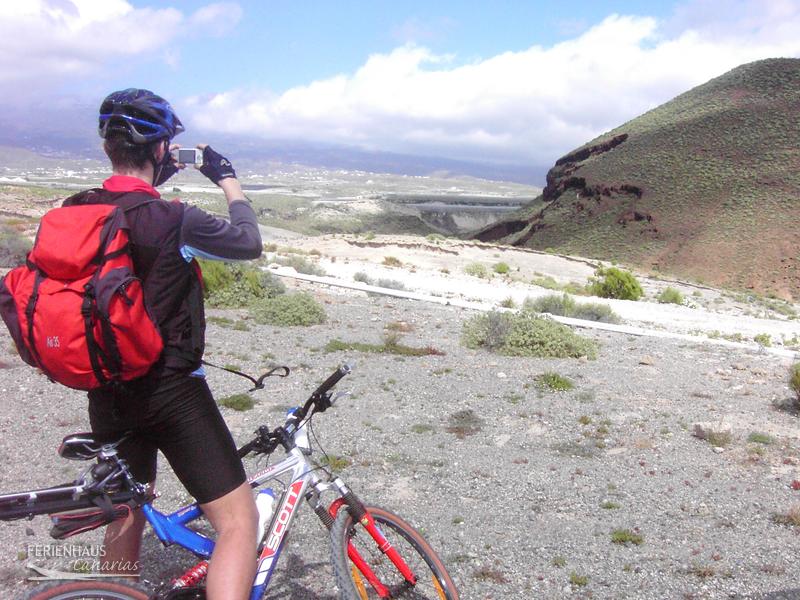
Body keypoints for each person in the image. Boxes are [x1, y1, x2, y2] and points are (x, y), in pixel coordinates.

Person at [67, 88, 261, 600]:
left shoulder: (80, 209)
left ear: (109, 147)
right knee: (239, 523)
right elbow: (248, 242)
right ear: (159, 150)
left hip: (105, 388)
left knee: (127, 508)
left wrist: (154, 180)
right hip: (172, 391)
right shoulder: (175, 218)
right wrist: (229, 181)